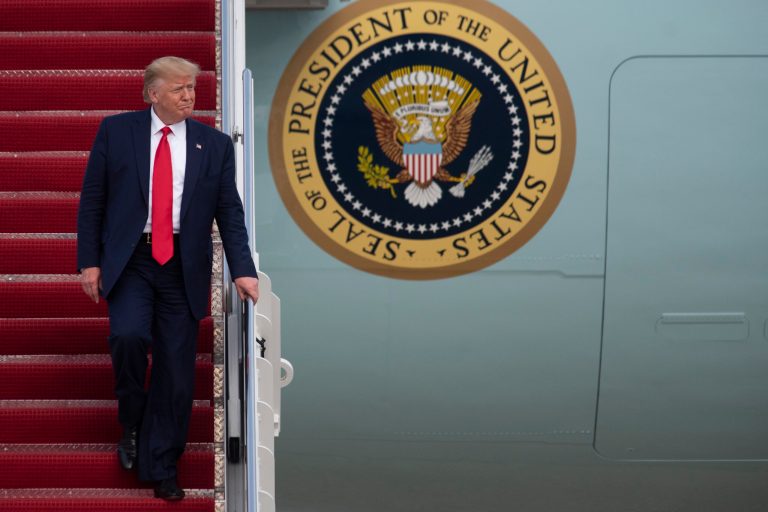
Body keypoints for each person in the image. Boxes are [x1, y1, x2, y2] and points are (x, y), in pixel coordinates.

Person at [77, 56, 259, 501]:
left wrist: (244, 271)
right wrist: (90, 263)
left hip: (182, 264)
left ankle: (163, 465)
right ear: (152, 94)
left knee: (177, 370)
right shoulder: (116, 132)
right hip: (132, 259)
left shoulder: (213, 145)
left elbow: (229, 213)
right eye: (178, 89)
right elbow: (92, 201)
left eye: (191, 88)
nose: (188, 96)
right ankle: (132, 420)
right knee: (129, 337)